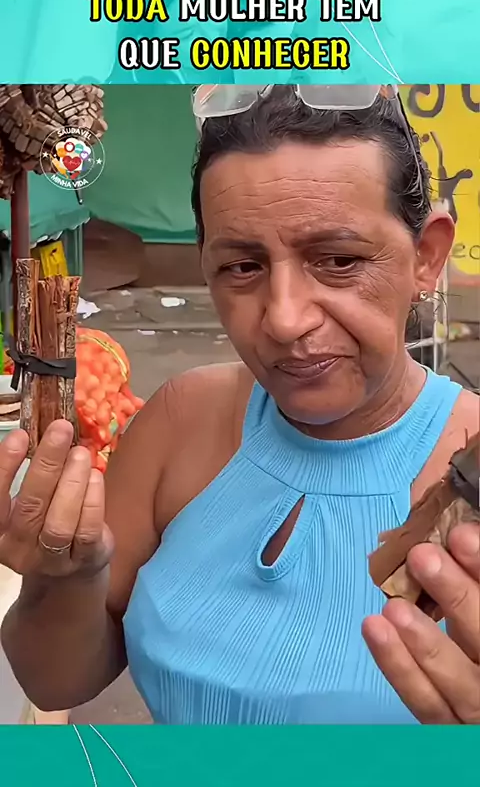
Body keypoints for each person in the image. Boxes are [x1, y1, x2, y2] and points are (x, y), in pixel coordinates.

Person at [1, 85, 479, 725]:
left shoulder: (471, 474)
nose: (284, 319)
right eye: (243, 267)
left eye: (339, 260)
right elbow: (56, 681)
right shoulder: (182, 420)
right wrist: (64, 579)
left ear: (427, 256)